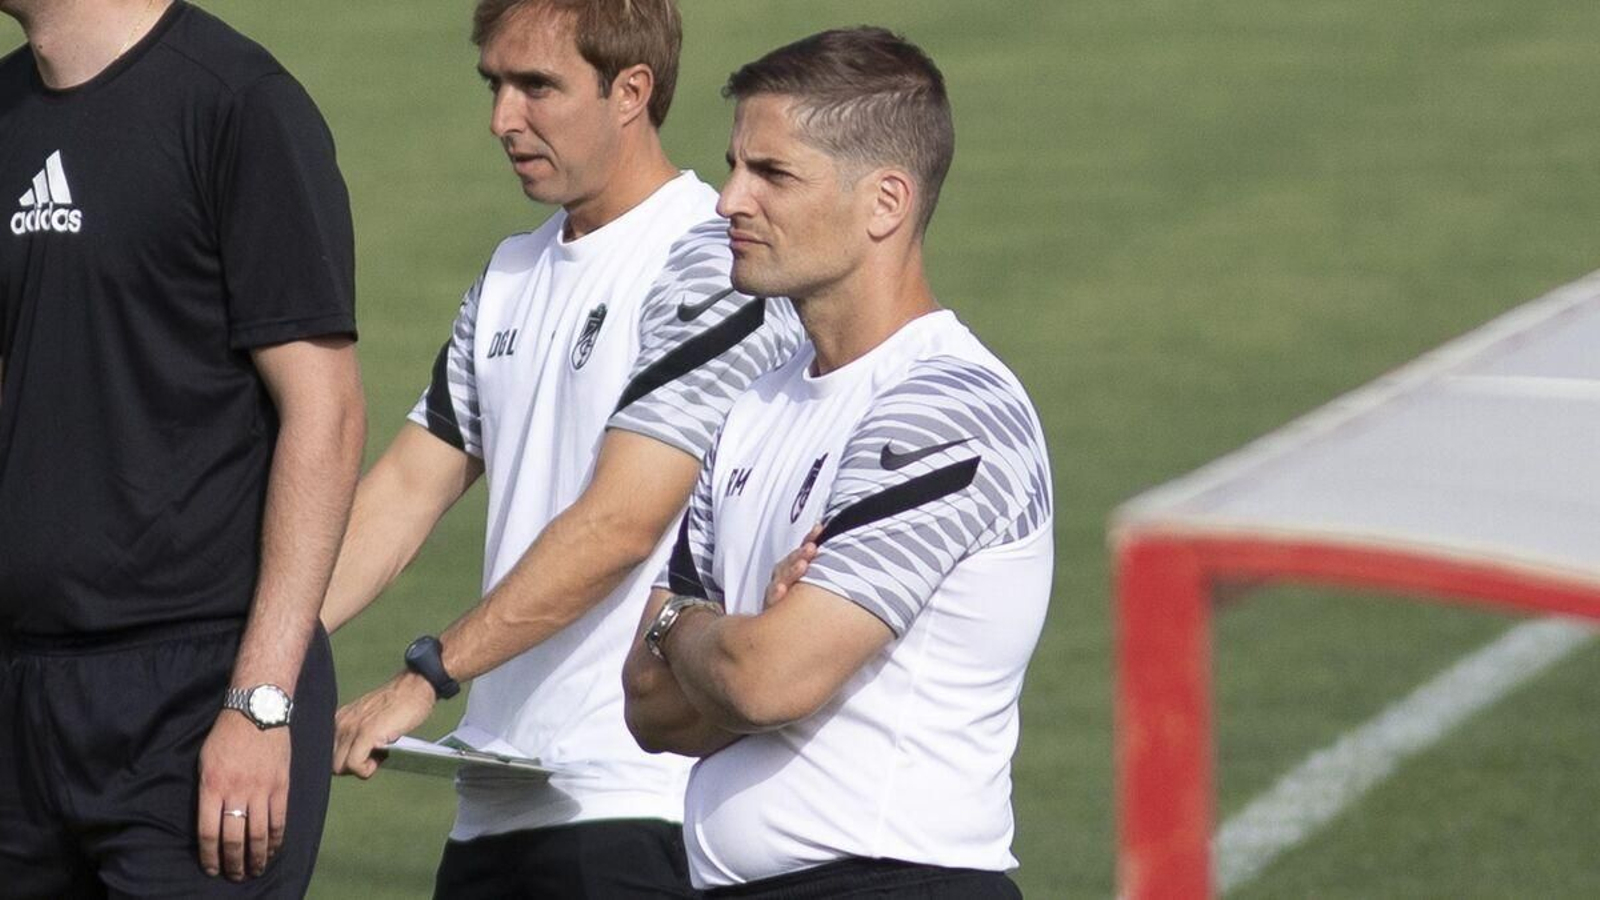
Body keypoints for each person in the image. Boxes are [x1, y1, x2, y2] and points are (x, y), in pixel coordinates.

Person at [320, 0, 800, 895]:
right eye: (495, 85)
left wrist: (426, 676)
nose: (503, 118)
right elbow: (407, 489)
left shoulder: (711, 264)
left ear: (632, 91)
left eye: (537, 86)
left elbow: (621, 523)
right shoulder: (511, 271)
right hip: (496, 800)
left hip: (640, 800)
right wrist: (266, 651)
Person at [622, 26, 1055, 898]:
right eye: (734, 166)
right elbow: (648, 707)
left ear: (885, 202)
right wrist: (742, 633)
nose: (729, 200)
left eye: (772, 174)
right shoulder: (756, 406)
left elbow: (766, 680)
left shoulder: (947, 406)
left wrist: (686, 628)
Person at [0, 0, 364, 895]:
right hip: (22, 694)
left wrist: (261, 703)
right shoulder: (6, 111)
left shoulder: (237, 104)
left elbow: (326, 413)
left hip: (196, 697)